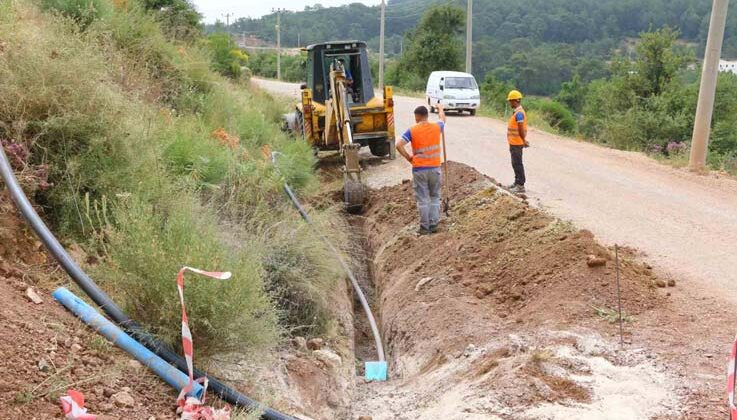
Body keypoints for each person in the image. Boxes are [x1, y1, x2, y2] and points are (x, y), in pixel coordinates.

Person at [396, 103, 446, 235]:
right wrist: (440, 108)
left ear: (417, 117)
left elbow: (398, 144)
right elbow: (442, 119)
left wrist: (409, 158)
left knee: (423, 199)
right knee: (435, 197)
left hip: (419, 169)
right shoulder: (436, 127)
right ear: (427, 116)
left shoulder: (412, 130)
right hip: (435, 167)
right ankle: (434, 224)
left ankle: (424, 228)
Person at [506, 90, 529, 194]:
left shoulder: (519, 114)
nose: (510, 103)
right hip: (514, 142)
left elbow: (520, 128)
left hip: (517, 143)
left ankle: (520, 185)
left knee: (518, 163)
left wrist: (523, 140)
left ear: (515, 101)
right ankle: (517, 182)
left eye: (511, 101)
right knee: (515, 163)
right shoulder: (517, 112)